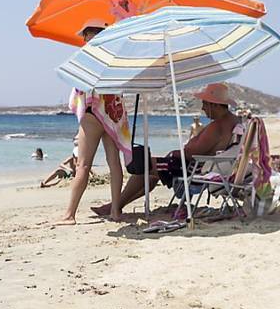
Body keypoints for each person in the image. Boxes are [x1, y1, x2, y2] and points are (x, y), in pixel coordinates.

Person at [91, 82, 240, 217]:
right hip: (209, 167)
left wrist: (178, 152)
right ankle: (115, 206)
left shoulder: (217, 126)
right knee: (152, 174)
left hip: (193, 169)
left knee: (144, 165)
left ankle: (114, 206)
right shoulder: (232, 122)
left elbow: (192, 153)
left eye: (204, 104)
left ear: (214, 104)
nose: (202, 108)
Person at [56, 19, 129, 226]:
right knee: (114, 163)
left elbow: (80, 86)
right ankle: (115, 211)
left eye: (85, 37)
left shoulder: (86, 58)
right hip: (114, 115)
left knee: (83, 165)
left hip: (92, 114)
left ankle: (69, 214)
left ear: (88, 36)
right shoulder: (115, 59)